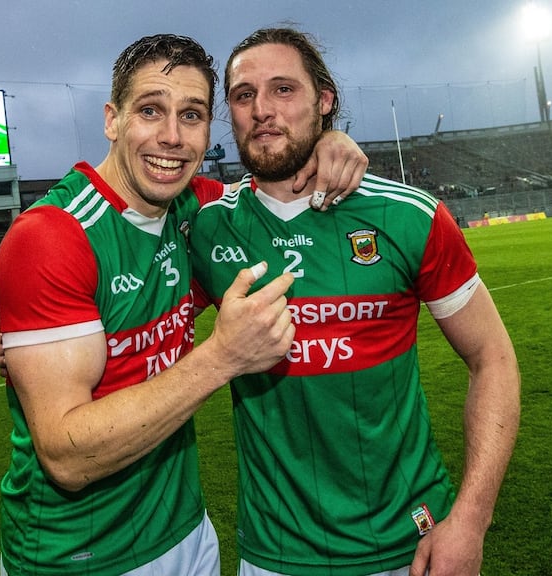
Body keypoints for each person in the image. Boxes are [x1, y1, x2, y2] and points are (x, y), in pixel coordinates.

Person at [0, 34, 366, 576]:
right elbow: (66, 457)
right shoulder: (51, 236)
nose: (172, 137)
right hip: (79, 557)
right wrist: (223, 357)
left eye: (191, 115)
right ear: (113, 120)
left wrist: (329, 139)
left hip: (187, 533)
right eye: (150, 110)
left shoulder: (196, 209)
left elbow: (279, 181)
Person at [186, 28, 520, 576]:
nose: (262, 109)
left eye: (283, 89)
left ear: (324, 100)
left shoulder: (410, 217)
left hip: (411, 544)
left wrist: (471, 520)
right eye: (244, 95)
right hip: (275, 556)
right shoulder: (207, 227)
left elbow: (494, 358)